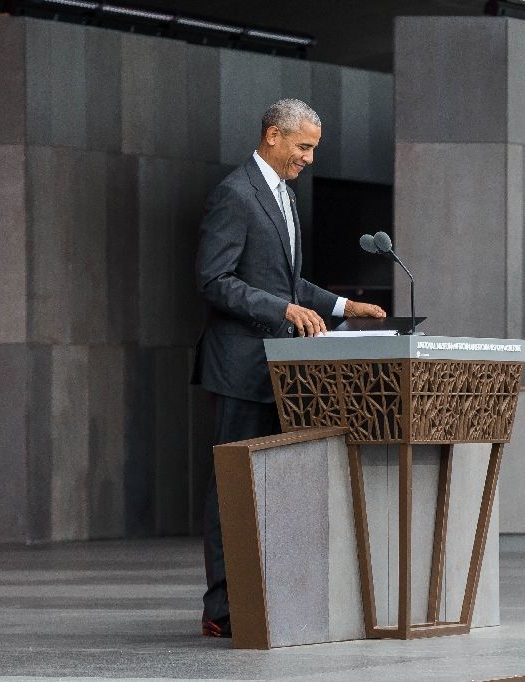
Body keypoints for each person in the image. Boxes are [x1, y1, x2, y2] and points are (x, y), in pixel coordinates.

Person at [192, 99, 386, 638]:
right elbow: (214, 279)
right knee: (233, 488)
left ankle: (266, 599)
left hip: (280, 368)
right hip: (237, 368)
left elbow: (288, 285)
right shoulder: (235, 194)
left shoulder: (284, 196)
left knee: (275, 487)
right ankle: (222, 608)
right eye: (303, 147)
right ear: (273, 136)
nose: (308, 158)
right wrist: (281, 309)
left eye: (313, 149)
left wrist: (346, 308)